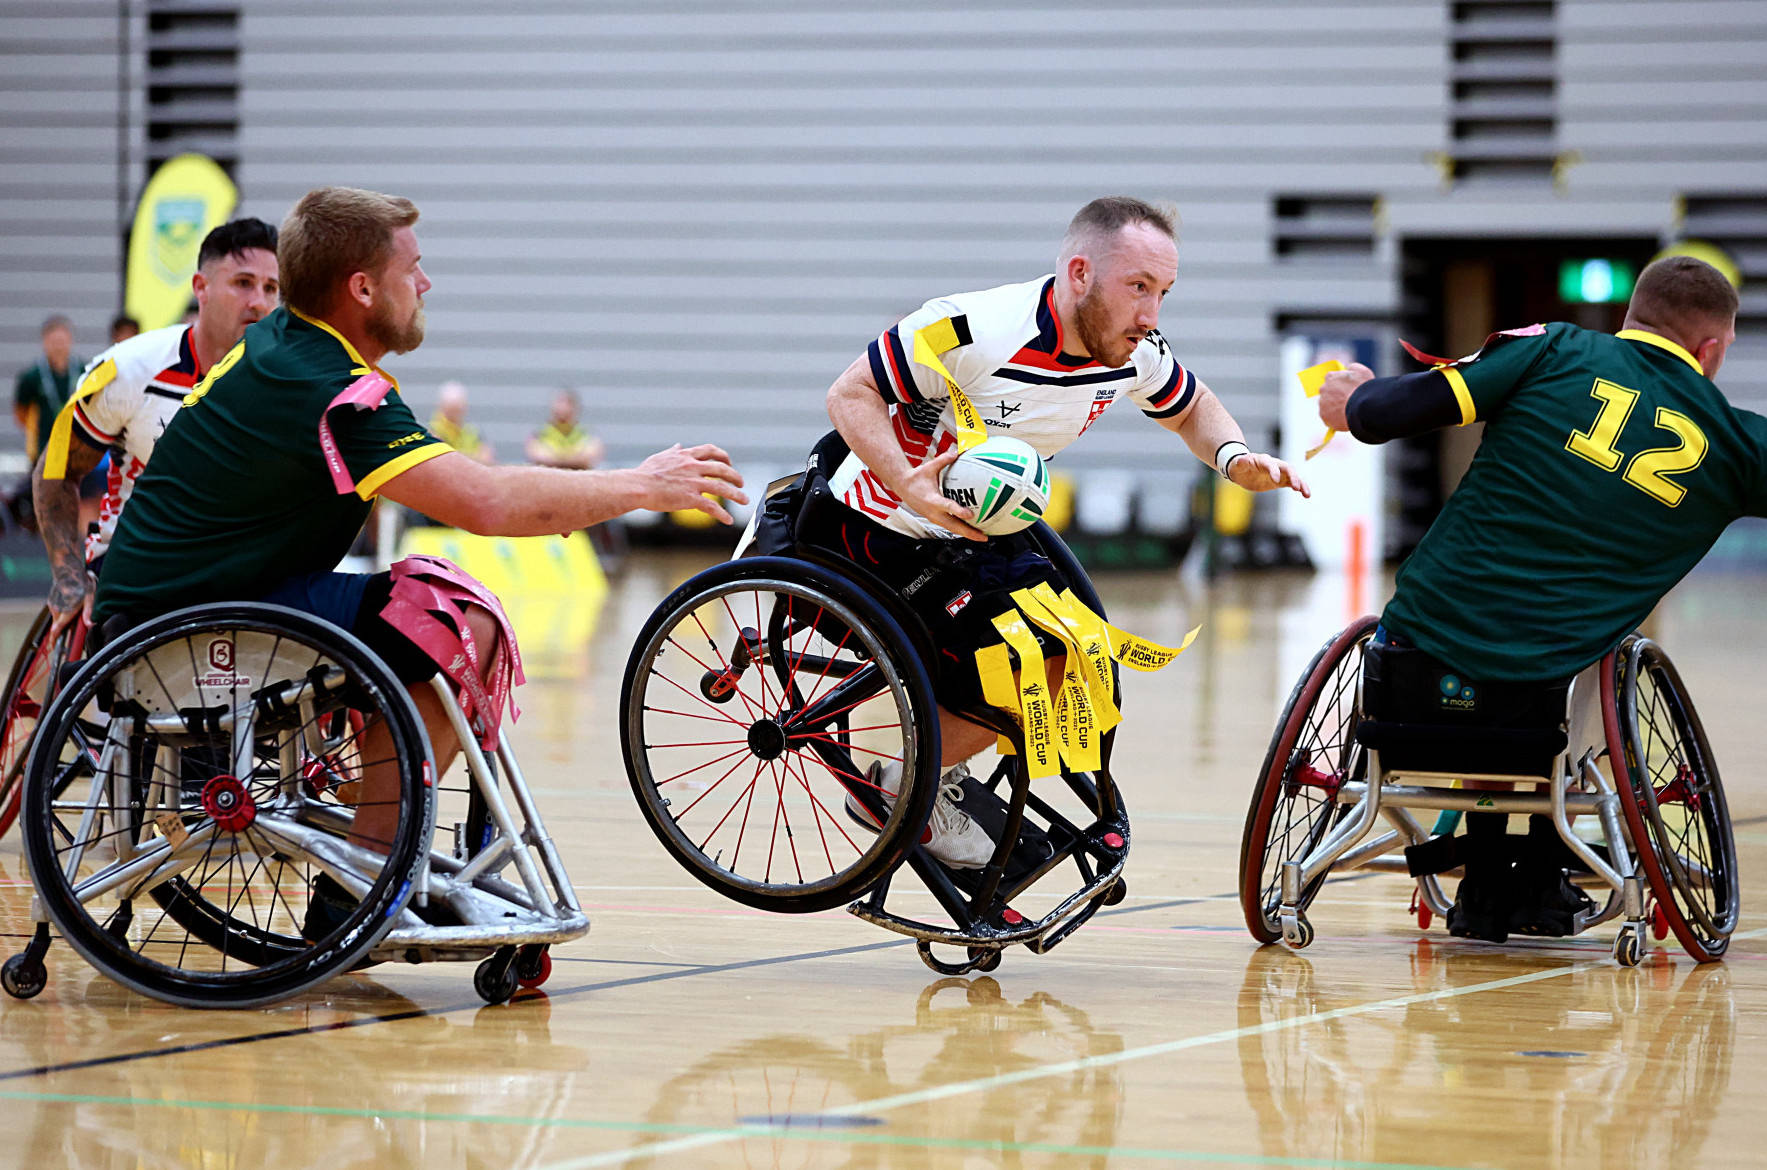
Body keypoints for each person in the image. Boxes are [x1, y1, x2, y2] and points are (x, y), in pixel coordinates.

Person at [91, 187, 744, 925]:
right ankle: (362, 890)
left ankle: (369, 860)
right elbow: (487, 502)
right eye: (414, 268)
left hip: (199, 599)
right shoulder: (326, 385)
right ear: (362, 288)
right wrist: (640, 485)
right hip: (180, 626)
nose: (426, 284)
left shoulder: (293, 345)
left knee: (425, 601)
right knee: (452, 616)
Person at [816, 195, 1308, 866]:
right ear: (1079, 273)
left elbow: (1191, 405)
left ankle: (924, 774)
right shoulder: (969, 328)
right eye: (1138, 287)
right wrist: (908, 481)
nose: (1150, 315)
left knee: (1080, 658)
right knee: (1022, 657)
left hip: (979, 533)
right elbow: (848, 395)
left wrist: (1232, 456)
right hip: (876, 528)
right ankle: (901, 784)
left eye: (1162, 292)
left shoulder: (1134, 350)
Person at [1317, 253, 1756, 941]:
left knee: (1484, 641)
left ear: (1628, 319)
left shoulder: (1553, 348)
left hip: (1416, 660)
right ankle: (1534, 872)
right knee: (1594, 657)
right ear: (1710, 349)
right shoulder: (1735, 443)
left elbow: (1384, 414)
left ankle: (1489, 871)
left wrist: (1353, 399)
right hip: (1542, 701)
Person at [33, 218, 281, 637]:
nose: (258, 301)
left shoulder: (287, 380)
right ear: (200, 287)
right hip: (135, 567)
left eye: (271, 288)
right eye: (243, 282)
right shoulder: (130, 369)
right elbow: (55, 471)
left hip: (238, 564)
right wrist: (69, 579)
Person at [13, 315, 82, 464]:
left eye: (62, 341)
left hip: (78, 450)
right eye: (54, 342)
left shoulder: (83, 372)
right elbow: (20, 413)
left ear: (70, 341)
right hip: (43, 449)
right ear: (44, 342)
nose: (58, 347)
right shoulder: (32, 376)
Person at [526, 388, 604, 470]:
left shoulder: (587, 434)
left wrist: (555, 458)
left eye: (568, 402)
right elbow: (537, 456)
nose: (563, 407)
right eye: (560, 402)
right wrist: (573, 458)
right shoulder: (540, 434)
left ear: (575, 407)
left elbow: (589, 458)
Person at [428, 380, 494, 464]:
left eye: (458, 408)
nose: (455, 413)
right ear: (442, 406)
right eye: (452, 408)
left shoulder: (472, 431)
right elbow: (441, 460)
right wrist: (473, 458)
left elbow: (487, 459)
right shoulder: (432, 430)